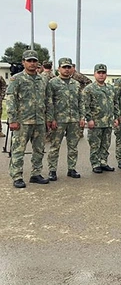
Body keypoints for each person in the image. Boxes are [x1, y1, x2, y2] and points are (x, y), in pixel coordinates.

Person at [6, 50, 49, 188]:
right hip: (22, 121)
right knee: (18, 150)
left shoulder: (43, 79)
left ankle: (36, 174)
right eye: (29, 61)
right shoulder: (16, 79)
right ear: (23, 62)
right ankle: (17, 176)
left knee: (39, 149)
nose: (32, 63)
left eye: (34, 61)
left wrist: (49, 118)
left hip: (39, 121)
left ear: (38, 63)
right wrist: (12, 119)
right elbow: (11, 99)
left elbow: (47, 100)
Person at [45, 57, 84, 180]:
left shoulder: (76, 84)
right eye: (64, 67)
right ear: (59, 68)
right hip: (59, 120)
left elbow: (80, 102)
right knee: (55, 146)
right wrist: (51, 119)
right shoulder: (52, 83)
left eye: (69, 67)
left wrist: (81, 117)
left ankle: (71, 169)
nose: (67, 70)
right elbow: (49, 102)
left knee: (73, 146)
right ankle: (52, 170)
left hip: (73, 120)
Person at [83, 64, 118, 174]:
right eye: (99, 73)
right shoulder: (89, 89)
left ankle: (103, 162)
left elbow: (115, 104)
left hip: (107, 122)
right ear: (95, 74)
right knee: (95, 145)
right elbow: (86, 105)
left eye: (103, 73)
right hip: (96, 122)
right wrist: (89, 119)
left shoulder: (110, 88)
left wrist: (116, 117)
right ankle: (95, 164)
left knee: (105, 144)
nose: (101, 75)